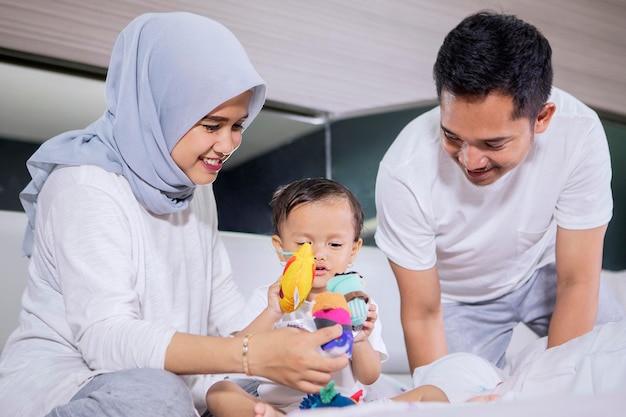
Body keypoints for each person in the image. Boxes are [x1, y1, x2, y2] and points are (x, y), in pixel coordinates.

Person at [0, 12, 349, 417]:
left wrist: (284, 320)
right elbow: (104, 340)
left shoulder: (195, 188)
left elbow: (225, 320)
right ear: (158, 109)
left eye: (238, 125)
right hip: (75, 385)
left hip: (174, 388)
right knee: (156, 395)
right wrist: (250, 355)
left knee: (263, 392)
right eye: (212, 125)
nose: (226, 145)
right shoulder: (84, 185)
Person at [374, 10, 624, 373]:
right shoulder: (404, 172)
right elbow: (423, 314)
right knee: (459, 397)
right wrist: (443, 395)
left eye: (494, 143)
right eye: (452, 136)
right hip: (460, 300)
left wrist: (557, 385)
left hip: (548, 270)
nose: (471, 160)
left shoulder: (579, 134)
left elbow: (578, 280)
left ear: (542, 118)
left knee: (611, 367)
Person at [205, 178, 387, 417]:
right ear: (281, 248)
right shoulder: (269, 299)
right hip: (277, 406)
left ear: (352, 250)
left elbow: (369, 377)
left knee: (429, 393)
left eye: (334, 244)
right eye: (304, 243)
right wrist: (273, 310)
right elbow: (237, 352)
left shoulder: (359, 302)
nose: (319, 254)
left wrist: (361, 338)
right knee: (219, 391)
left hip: (339, 405)